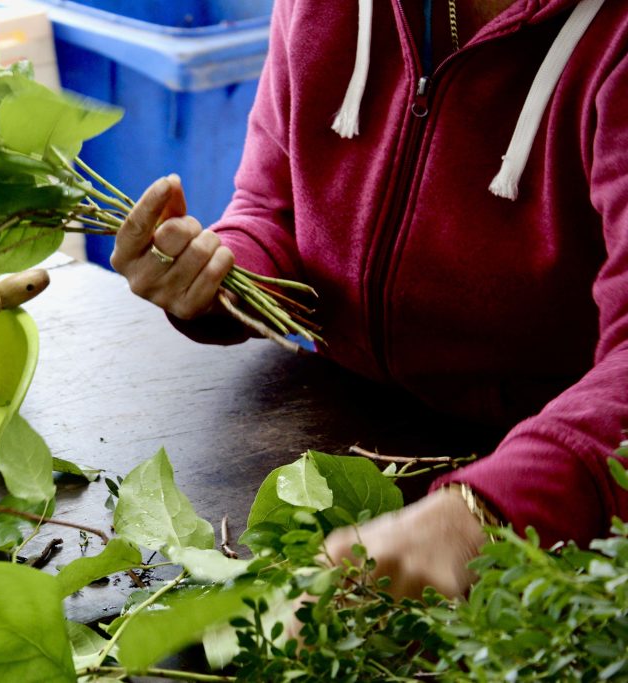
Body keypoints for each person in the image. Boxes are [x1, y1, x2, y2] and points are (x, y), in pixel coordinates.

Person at [112, 0, 628, 599]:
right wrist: (220, 279)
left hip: (561, 487)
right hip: (349, 435)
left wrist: (479, 516)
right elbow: (272, 206)